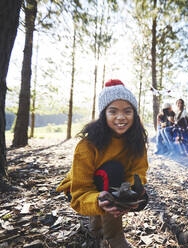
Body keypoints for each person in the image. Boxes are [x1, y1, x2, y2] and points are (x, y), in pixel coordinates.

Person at [56, 79, 149, 247]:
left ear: (134, 114)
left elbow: (138, 170)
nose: (121, 117)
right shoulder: (87, 145)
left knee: (139, 195)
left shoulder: (136, 140)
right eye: (113, 111)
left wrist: (135, 189)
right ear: (103, 114)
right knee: (111, 171)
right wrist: (97, 200)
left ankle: (99, 228)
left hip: (112, 185)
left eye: (127, 111)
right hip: (80, 189)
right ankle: (112, 237)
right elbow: (80, 191)